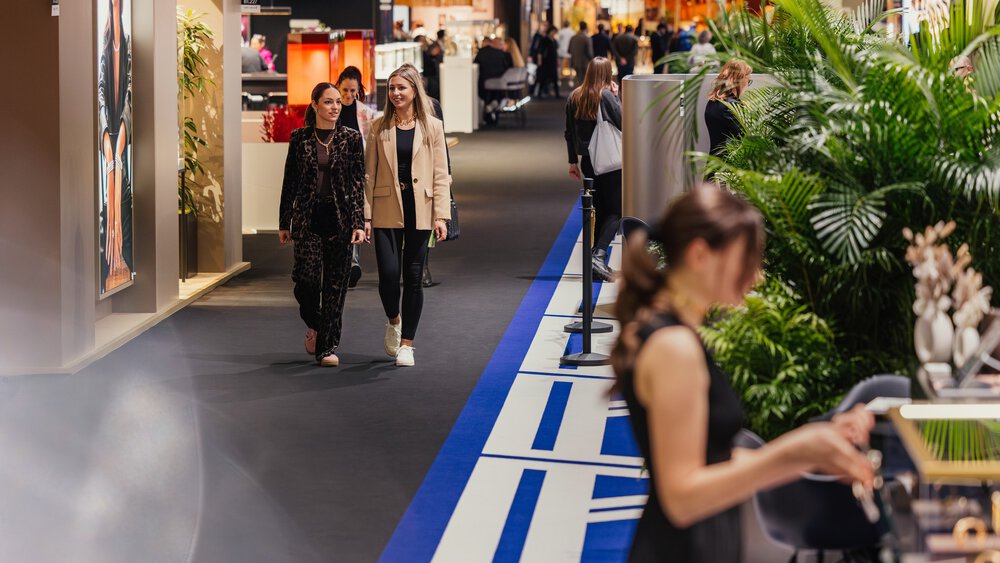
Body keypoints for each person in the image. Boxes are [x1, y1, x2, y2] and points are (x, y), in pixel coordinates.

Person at [613, 184, 875, 561]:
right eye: (745, 261)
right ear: (701, 254)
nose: (755, 277)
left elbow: (715, 462)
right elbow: (682, 498)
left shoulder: (674, 333)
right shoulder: (674, 347)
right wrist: (796, 453)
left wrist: (814, 445)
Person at [364, 65, 451, 367]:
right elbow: (368, 174)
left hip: (421, 209)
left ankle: (407, 344)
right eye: (391, 88)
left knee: (413, 278)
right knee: (388, 275)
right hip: (386, 207)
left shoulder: (433, 127)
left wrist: (441, 216)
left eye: (401, 87)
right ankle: (393, 319)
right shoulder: (378, 127)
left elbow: (441, 174)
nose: (396, 93)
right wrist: (365, 216)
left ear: (415, 90)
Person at [278, 82, 367, 367]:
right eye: (328, 102)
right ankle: (316, 323)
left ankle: (326, 347)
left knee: (335, 287)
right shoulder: (300, 138)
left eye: (338, 102)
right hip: (307, 218)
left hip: (340, 219)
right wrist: (284, 221)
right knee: (305, 282)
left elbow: (356, 185)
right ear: (315, 104)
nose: (335, 107)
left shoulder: (351, 138)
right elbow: (289, 182)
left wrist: (359, 222)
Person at [564, 57, 622, 282]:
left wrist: (572, 162)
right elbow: (622, 122)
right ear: (607, 73)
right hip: (610, 162)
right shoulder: (605, 96)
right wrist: (616, 97)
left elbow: (569, 133)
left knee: (598, 211)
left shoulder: (575, 96)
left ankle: (596, 263)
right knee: (617, 210)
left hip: (589, 162)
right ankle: (598, 256)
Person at [98, 0, 133, 293]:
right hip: (110, 141)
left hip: (119, 143)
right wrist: (110, 151)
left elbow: (128, 97)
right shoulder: (104, 47)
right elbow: (101, 96)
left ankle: (121, 260)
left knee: (119, 199)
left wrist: (118, 152)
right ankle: (111, 261)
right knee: (109, 205)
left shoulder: (127, 46)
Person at [335, 66, 377, 289]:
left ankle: (353, 263)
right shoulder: (330, 108)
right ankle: (340, 263)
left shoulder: (366, 114)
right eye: (345, 90)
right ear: (338, 86)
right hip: (332, 173)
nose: (348, 95)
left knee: (355, 216)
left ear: (358, 90)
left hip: (356, 173)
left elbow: (370, 145)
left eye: (352, 90)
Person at [705, 59, 752, 157]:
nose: (747, 85)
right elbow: (744, 138)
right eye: (748, 81)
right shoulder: (732, 107)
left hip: (714, 163)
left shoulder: (712, 102)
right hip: (730, 165)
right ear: (741, 80)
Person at [536, 26, 562, 98]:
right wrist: (540, 62)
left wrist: (557, 60)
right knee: (543, 78)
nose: (554, 34)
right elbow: (540, 52)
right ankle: (539, 93)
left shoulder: (554, 40)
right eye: (554, 32)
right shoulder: (544, 40)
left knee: (555, 78)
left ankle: (557, 93)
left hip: (553, 61)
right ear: (550, 31)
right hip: (546, 62)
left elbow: (556, 51)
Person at [568, 21, 594, 87]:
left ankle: (578, 94)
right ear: (586, 28)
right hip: (585, 62)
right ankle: (583, 95)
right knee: (585, 81)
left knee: (579, 79)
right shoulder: (587, 39)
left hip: (575, 61)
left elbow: (569, 50)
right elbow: (590, 53)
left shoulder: (573, 38)